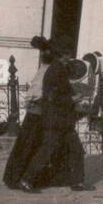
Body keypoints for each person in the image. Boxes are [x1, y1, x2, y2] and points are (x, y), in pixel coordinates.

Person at [18, 49, 88, 192]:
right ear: (63, 54)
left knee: (76, 150)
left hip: (62, 121)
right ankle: (26, 180)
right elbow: (53, 98)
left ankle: (77, 182)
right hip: (55, 120)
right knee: (47, 151)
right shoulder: (55, 70)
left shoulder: (58, 68)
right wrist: (73, 99)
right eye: (67, 56)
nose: (69, 58)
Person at [2, 35, 53, 189]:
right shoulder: (48, 69)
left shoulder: (44, 67)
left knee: (26, 143)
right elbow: (38, 91)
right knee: (30, 144)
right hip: (38, 109)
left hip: (34, 108)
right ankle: (18, 177)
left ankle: (14, 177)